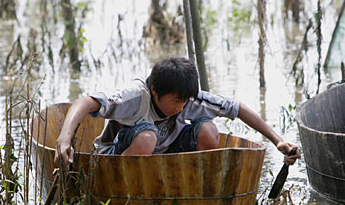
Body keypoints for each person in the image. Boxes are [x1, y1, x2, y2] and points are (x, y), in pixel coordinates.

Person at [55, 57, 300, 166]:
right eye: (175, 101)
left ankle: (194, 181)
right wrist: (65, 138)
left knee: (208, 129)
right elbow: (85, 102)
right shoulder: (135, 96)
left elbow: (237, 109)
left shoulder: (187, 98)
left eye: (185, 102)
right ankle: (129, 190)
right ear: (154, 90)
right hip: (119, 158)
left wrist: (278, 141)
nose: (180, 108)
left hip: (164, 153)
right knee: (147, 135)